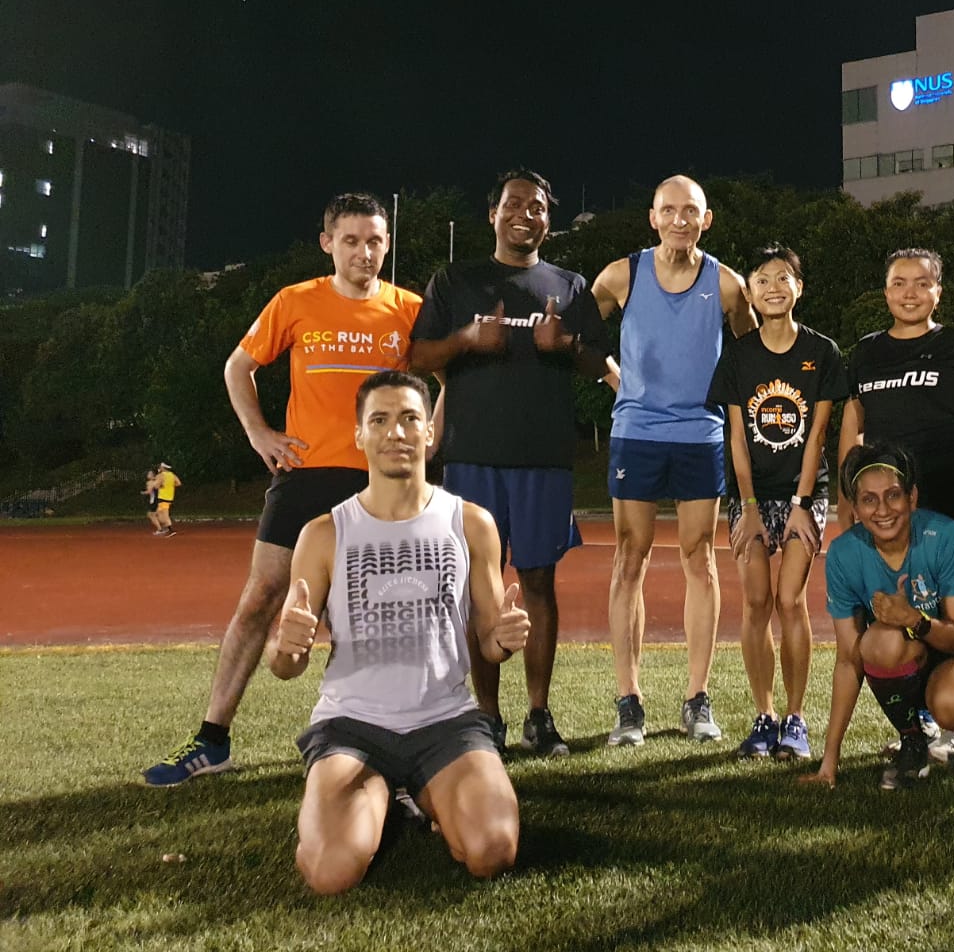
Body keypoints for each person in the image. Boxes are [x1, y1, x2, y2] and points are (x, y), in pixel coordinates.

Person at [142, 193, 421, 787]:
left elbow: (445, 376)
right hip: (305, 475)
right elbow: (237, 367)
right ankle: (211, 739)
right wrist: (259, 433)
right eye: (351, 240)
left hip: (377, 484)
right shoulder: (294, 301)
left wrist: (428, 441)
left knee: (369, 614)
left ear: (386, 244)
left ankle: (375, 742)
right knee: (261, 597)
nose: (364, 252)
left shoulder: (409, 309)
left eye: (375, 240)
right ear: (327, 243)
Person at [269, 370, 529, 894]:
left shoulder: (471, 523)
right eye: (380, 420)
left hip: (445, 721)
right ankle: (382, 797)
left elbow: (487, 644)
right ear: (359, 434)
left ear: (430, 431)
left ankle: (418, 793)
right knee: (330, 873)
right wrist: (286, 647)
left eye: (410, 418)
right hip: (352, 727)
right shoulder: (324, 534)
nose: (396, 432)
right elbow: (285, 666)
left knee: (492, 851)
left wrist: (501, 639)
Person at [409, 169, 615, 757]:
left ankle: (539, 716)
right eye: (514, 203)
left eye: (538, 206)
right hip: (473, 458)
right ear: (493, 213)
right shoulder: (456, 280)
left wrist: (565, 345)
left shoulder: (570, 286)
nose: (526, 213)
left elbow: (598, 361)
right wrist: (466, 341)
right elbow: (418, 354)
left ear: (549, 219)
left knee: (540, 582)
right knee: (480, 588)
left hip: (543, 459)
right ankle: (487, 717)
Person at [589, 175, 757, 746]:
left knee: (699, 557)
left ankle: (697, 698)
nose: (680, 220)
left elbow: (748, 355)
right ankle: (629, 702)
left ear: (706, 220)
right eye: (670, 211)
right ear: (653, 217)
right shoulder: (623, 275)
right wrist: (616, 378)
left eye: (691, 211)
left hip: (699, 435)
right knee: (629, 558)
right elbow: (581, 335)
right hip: (636, 433)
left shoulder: (727, 283)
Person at [799, 443, 954, 790]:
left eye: (893, 495)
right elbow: (848, 660)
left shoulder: (944, 535)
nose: (883, 509)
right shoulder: (843, 554)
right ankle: (913, 741)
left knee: (951, 701)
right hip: (919, 650)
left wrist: (913, 619)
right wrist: (829, 762)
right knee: (876, 643)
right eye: (869, 499)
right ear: (854, 508)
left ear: (912, 497)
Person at [706, 245, 847, 760]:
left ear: (798, 288)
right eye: (762, 279)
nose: (772, 287)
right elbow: (737, 438)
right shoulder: (738, 356)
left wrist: (802, 503)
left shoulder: (822, 352)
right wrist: (747, 507)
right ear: (750, 290)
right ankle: (764, 716)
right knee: (756, 602)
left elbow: (817, 435)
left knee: (790, 600)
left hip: (803, 492)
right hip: (752, 494)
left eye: (783, 277)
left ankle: (796, 718)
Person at [837, 248, 954, 550]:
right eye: (899, 283)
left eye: (922, 284)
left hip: (950, 502)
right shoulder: (865, 352)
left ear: (938, 292)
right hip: (884, 507)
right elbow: (853, 425)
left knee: (947, 581)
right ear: (886, 292)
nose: (910, 293)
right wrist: (846, 496)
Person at [152, 462, 182, 536]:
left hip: (163, 497)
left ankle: (170, 530)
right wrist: (169, 485)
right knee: (158, 513)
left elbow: (156, 486)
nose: (159, 468)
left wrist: (158, 484)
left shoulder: (161, 475)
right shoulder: (172, 475)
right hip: (170, 497)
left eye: (160, 467)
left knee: (164, 514)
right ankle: (165, 528)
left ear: (163, 468)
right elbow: (178, 483)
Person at [144, 469, 161, 533]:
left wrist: (142, 493)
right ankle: (163, 527)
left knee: (151, 515)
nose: (148, 475)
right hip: (158, 500)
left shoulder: (150, 482)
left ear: (153, 475)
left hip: (153, 501)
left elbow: (149, 491)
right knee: (154, 514)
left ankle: (160, 529)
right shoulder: (157, 481)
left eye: (149, 474)